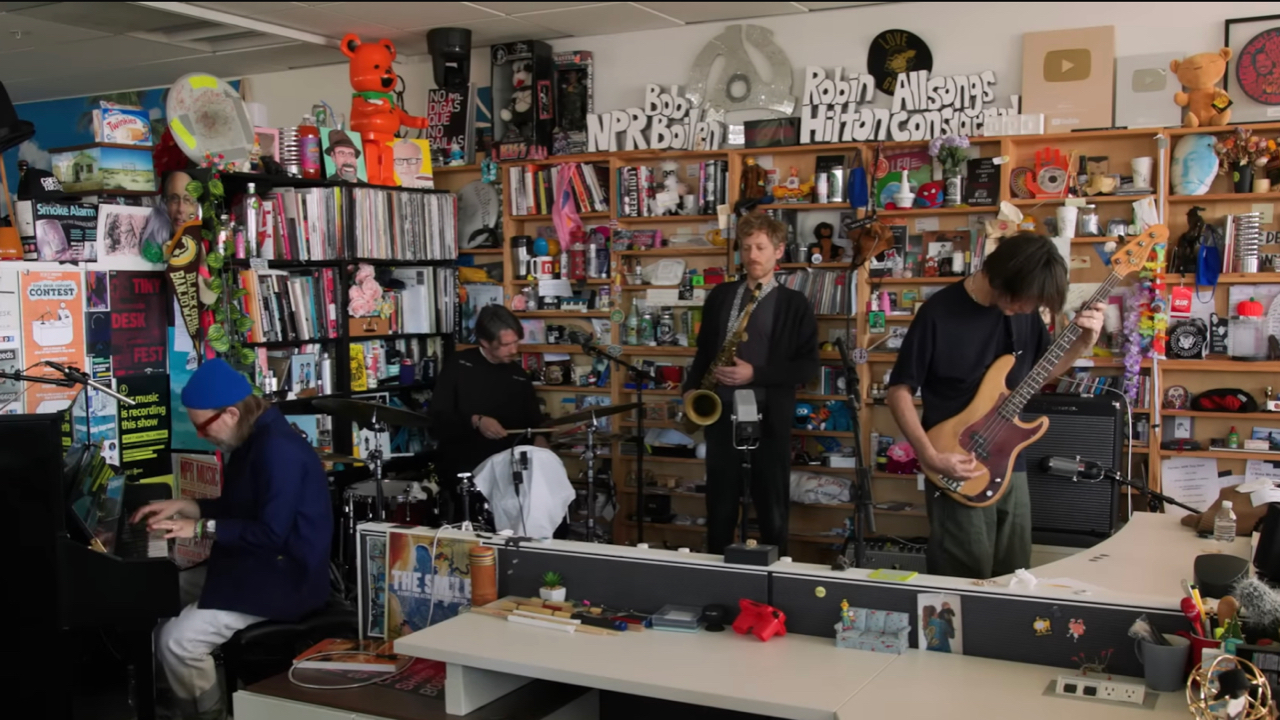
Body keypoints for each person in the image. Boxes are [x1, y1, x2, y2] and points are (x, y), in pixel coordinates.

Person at [887, 232, 1104, 579]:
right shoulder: (938, 314)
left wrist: (1082, 344)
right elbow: (898, 390)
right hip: (955, 461)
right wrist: (929, 455)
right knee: (963, 573)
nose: (1028, 309)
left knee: (1016, 570)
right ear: (999, 277)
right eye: (1024, 301)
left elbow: (1037, 373)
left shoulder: (1025, 312)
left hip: (1010, 459)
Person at [130, 358, 332, 720]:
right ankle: (163, 702)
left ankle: (208, 715)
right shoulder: (256, 437)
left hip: (285, 578)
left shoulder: (277, 450)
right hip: (257, 564)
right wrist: (188, 505)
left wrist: (199, 527)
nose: (202, 436)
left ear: (231, 414)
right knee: (152, 595)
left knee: (177, 641)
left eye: (203, 428)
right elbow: (242, 508)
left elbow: (270, 533)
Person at [684, 212, 818, 556]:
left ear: (779, 251)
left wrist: (755, 374)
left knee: (772, 505)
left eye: (760, 247)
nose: (752, 255)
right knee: (720, 504)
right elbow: (704, 352)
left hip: (769, 418)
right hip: (720, 412)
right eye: (746, 248)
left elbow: (806, 367)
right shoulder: (720, 296)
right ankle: (717, 569)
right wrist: (691, 390)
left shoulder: (794, 304)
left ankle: (776, 578)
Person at [430, 305, 548, 521]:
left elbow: (535, 422)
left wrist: (541, 441)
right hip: (466, 468)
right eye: (506, 345)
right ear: (484, 342)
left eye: (516, 342)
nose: (514, 350)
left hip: (509, 469)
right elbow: (437, 418)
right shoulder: (458, 366)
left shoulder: (518, 374)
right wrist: (476, 421)